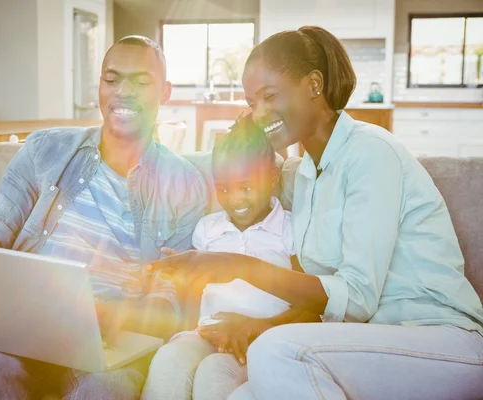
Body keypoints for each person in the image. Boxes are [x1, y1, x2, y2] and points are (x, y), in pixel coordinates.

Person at [147, 26, 483, 400]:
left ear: (314, 85)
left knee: (274, 350)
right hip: (362, 339)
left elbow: (356, 298)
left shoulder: (371, 152)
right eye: (251, 102)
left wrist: (237, 266)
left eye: (269, 96)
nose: (258, 113)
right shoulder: (305, 175)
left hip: (436, 336)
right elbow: (251, 175)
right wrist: (259, 323)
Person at [0, 36, 208, 400]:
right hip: (25, 323)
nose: (123, 92)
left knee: (108, 388)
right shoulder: (46, 149)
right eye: (112, 78)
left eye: (141, 81)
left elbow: (174, 295)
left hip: (111, 339)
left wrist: (118, 316)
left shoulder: (185, 183)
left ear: (165, 92)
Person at [142, 117, 320, 400]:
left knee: (214, 373)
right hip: (206, 335)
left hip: (260, 340)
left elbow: (313, 305)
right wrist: (184, 282)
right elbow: (193, 301)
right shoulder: (207, 229)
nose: (235, 199)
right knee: (168, 360)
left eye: (246, 188)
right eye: (223, 189)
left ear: (272, 177)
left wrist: (261, 328)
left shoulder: (292, 228)